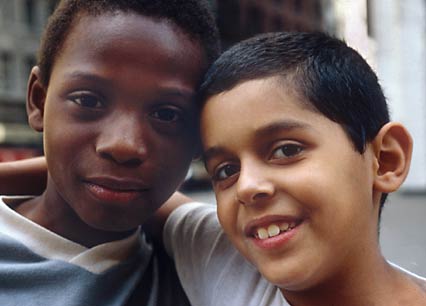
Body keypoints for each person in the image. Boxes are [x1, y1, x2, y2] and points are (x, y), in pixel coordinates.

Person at [162, 32, 426, 305]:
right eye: (227, 171)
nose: (247, 186)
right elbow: (141, 193)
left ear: (385, 161)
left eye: (286, 150)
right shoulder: (223, 263)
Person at [0, 0, 220, 305]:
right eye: (88, 101)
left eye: (167, 114)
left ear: (199, 136)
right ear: (38, 101)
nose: (124, 145)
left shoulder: (205, 271)